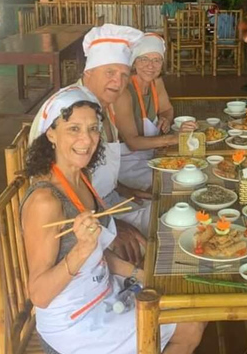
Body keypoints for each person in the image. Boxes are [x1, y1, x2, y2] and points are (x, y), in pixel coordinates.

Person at [20, 86, 205, 354]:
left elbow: (97, 257)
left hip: (102, 291)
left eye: (93, 129)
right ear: (51, 132)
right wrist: (81, 249)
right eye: (74, 128)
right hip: (75, 322)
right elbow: (39, 295)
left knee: (192, 298)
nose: (86, 139)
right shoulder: (45, 201)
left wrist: (141, 274)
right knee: (192, 324)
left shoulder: (82, 179)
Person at [29, 24, 149, 264]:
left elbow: (97, 172)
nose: (119, 81)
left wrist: (125, 190)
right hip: (78, 224)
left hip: (105, 205)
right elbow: (57, 190)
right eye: (110, 72)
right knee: (163, 231)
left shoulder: (99, 105)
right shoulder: (75, 110)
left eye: (125, 74)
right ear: (89, 72)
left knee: (168, 213)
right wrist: (112, 227)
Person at [115, 33, 194, 192]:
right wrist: (172, 139)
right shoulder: (123, 93)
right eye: (144, 59)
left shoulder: (156, 82)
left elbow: (167, 109)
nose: (150, 66)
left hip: (152, 154)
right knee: (175, 185)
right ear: (134, 62)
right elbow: (133, 142)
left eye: (156, 60)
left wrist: (165, 118)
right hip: (127, 163)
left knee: (190, 173)